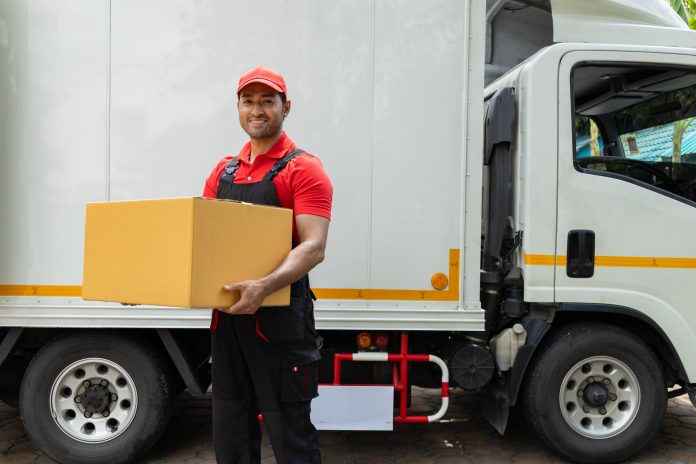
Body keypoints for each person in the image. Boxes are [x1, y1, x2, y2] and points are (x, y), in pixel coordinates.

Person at [202, 66, 332, 464]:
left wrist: (264, 285)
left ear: (285, 107)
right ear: (238, 107)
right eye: (248, 101)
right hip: (228, 322)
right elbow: (200, 244)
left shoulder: (302, 168)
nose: (256, 110)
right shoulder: (223, 170)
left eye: (267, 101)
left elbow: (313, 246)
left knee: (290, 435)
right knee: (231, 434)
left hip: (280, 325)